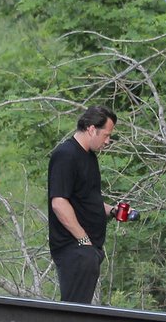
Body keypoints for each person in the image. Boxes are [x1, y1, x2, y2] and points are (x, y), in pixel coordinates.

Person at [48, 105, 117, 303]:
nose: (108, 141)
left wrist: (112, 210)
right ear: (92, 129)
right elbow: (59, 203)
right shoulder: (65, 154)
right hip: (74, 249)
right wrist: (83, 241)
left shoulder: (89, 156)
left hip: (88, 251)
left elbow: (88, 200)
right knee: (73, 313)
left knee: (81, 310)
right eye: (106, 135)